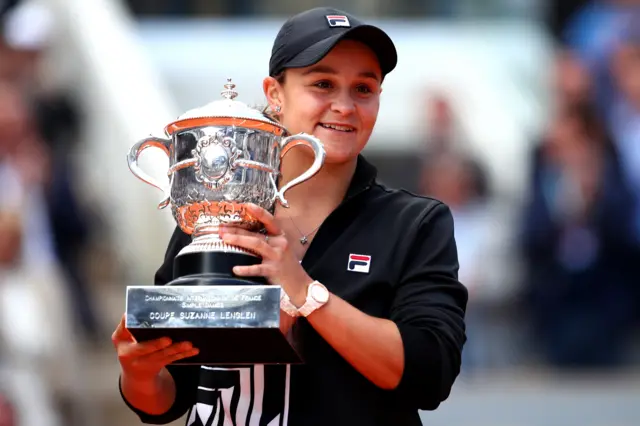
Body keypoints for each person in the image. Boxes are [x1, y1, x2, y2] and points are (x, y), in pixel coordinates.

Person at [113, 7, 468, 426]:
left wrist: (305, 292)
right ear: (275, 94)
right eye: (323, 84)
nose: (344, 106)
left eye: (363, 89)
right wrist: (138, 372)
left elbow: (429, 374)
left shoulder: (414, 223)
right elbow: (167, 399)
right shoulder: (216, 212)